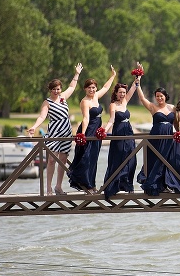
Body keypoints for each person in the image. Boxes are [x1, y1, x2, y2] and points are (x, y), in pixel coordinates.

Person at [27, 63, 84, 195]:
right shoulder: (47, 102)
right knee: (52, 160)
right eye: (54, 89)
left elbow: (72, 86)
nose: (56, 91)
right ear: (50, 90)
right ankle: (48, 188)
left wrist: (77, 74)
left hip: (66, 131)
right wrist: (34, 127)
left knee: (63, 160)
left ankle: (59, 186)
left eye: (58, 89)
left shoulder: (63, 98)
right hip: (54, 132)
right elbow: (42, 116)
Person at [67, 66, 117, 194]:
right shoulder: (85, 102)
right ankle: (86, 185)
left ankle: (92, 184)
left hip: (97, 131)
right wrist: (82, 135)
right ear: (85, 89)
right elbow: (85, 118)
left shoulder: (96, 97)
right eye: (89, 87)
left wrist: (112, 76)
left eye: (94, 87)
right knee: (87, 158)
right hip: (89, 130)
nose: (92, 89)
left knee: (94, 158)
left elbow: (105, 88)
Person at [135, 80, 179, 196]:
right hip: (156, 138)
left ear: (165, 96)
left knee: (167, 160)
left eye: (161, 96)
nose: (159, 98)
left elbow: (176, 124)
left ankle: (165, 185)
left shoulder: (172, 108)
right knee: (154, 160)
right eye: (157, 96)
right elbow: (142, 98)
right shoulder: (153, 107)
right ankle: (152, 184)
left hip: (168, 138)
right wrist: (138, 84)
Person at [101, 76, 139, 199]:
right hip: (118, 132)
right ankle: (114, 184)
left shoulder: (125, 101)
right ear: (116, 93)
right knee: (118, 157)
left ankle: (127, 184)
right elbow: (111, 120)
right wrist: (104, 131)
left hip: (129, 131)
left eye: (124, 92)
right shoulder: (113, 105)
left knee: (131, 158)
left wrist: (138, 76)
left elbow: (134, 87)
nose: (122, 94)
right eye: (120, 92)